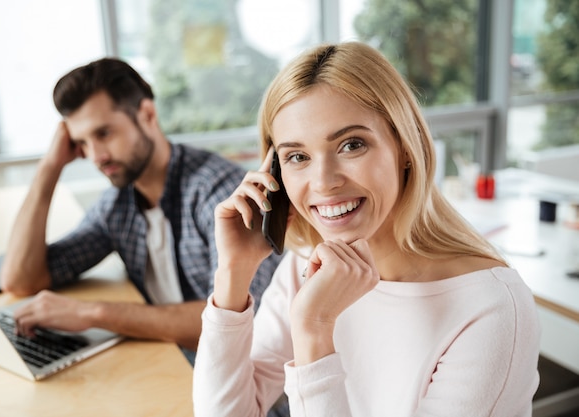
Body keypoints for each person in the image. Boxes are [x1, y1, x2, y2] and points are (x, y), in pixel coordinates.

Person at [192, 42, 540, 416]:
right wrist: (233, 273)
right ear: (275, 172)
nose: (323, 182)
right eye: (297, 157)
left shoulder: (491, 307)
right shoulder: (305, 266)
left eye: (351, 145)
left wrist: (314, 332)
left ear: (406, 147)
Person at [0, 57, 282, 361]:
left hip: (245, 384)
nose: (95, 156)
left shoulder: (219, 192)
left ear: (147, 113)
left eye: (104, 133)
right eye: (81, 142)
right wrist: (49, 168)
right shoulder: (117, 205)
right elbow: (20, 279)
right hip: (170, 360)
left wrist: (94, 313)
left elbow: (241, 323)